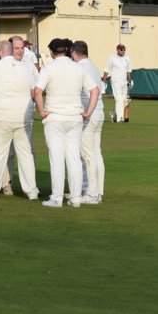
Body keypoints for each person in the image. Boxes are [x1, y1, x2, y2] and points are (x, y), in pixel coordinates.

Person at [33, 38, 100, 208]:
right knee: (74, 159)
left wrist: (41, 112)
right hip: (75, 118)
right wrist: (88, 112)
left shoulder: (49, 68)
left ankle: (56, 198)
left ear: (52, 52)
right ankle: (76, 198)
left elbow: (37, 91)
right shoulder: (78, 68)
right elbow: (95, 91)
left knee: (57, 158)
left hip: (55, 117)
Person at [0, 39, 39, 200]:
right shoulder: (27, 67)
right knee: (25, 154)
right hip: (22, 116)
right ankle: (32, 191)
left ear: (0, 52)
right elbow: (34, 90)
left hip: (1, 116)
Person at [73, 40, 106, 204]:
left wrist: (86, 112)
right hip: (99, 112)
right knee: (96, 153)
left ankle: (91, 193)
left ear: (74, 52)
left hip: (90, 113)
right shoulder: (92, 65)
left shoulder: (80, 68)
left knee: (87, 155)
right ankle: (97, 192)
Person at [104, 44, 133, 122]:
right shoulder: (112, 58)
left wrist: (130, 80)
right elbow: (107, 69)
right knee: (119, 99)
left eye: (124, 49)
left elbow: (128, 70)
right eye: (121, 49)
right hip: (115, 81)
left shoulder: (127, 58)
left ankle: (114, 114)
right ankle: (120, 118)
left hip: (124, 81)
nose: (123, 51)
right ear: (117, 50)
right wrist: (104, 80)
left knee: (125, 100)